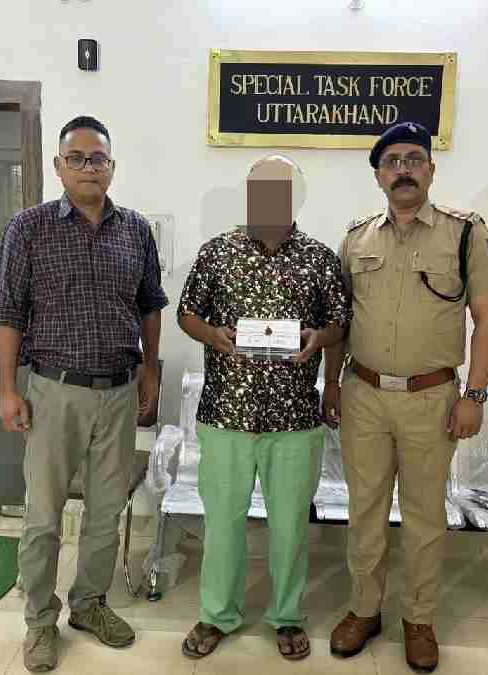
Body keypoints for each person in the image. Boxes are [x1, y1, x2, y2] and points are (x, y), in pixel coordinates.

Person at [324, 122, 488, 672]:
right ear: (378, 176)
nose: (403, 169)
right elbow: (338, 321)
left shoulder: (465, 232)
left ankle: (419, 620)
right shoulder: (356, 238)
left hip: (432, 398)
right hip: (364, 393)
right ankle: (364, 610)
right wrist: (331, 384)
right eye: (392, 162)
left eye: (414, 159)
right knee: (365, 510)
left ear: (430, 169)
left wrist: (475, 395)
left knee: (425, 515)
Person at [0, 116, 168, 672]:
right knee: (44, 515)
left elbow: (150, 305)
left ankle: (89, 604)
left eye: (99, 158)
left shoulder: (135, 230)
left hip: (119, 392)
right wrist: (8, 390)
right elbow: (8, 311)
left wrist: (150, 370)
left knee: (105, 511)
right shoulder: (29, 228)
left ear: (112, 167)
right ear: (58, 166)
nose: (89, 167)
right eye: (77, 158)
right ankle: (40, 620)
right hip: (54, 392)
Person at [177, 155, 350, 661]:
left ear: (296, 195)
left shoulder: (319, 258)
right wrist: (212, 334)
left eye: (281, 188)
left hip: (295, 417)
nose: (270, 197)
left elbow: (340, 323)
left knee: (291, 525)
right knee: (223, 523)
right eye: (261, 188)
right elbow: (187, 314)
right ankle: (218, 614)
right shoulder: (217, 253)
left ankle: (287, 615)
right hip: (226, 414)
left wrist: (321, 344)